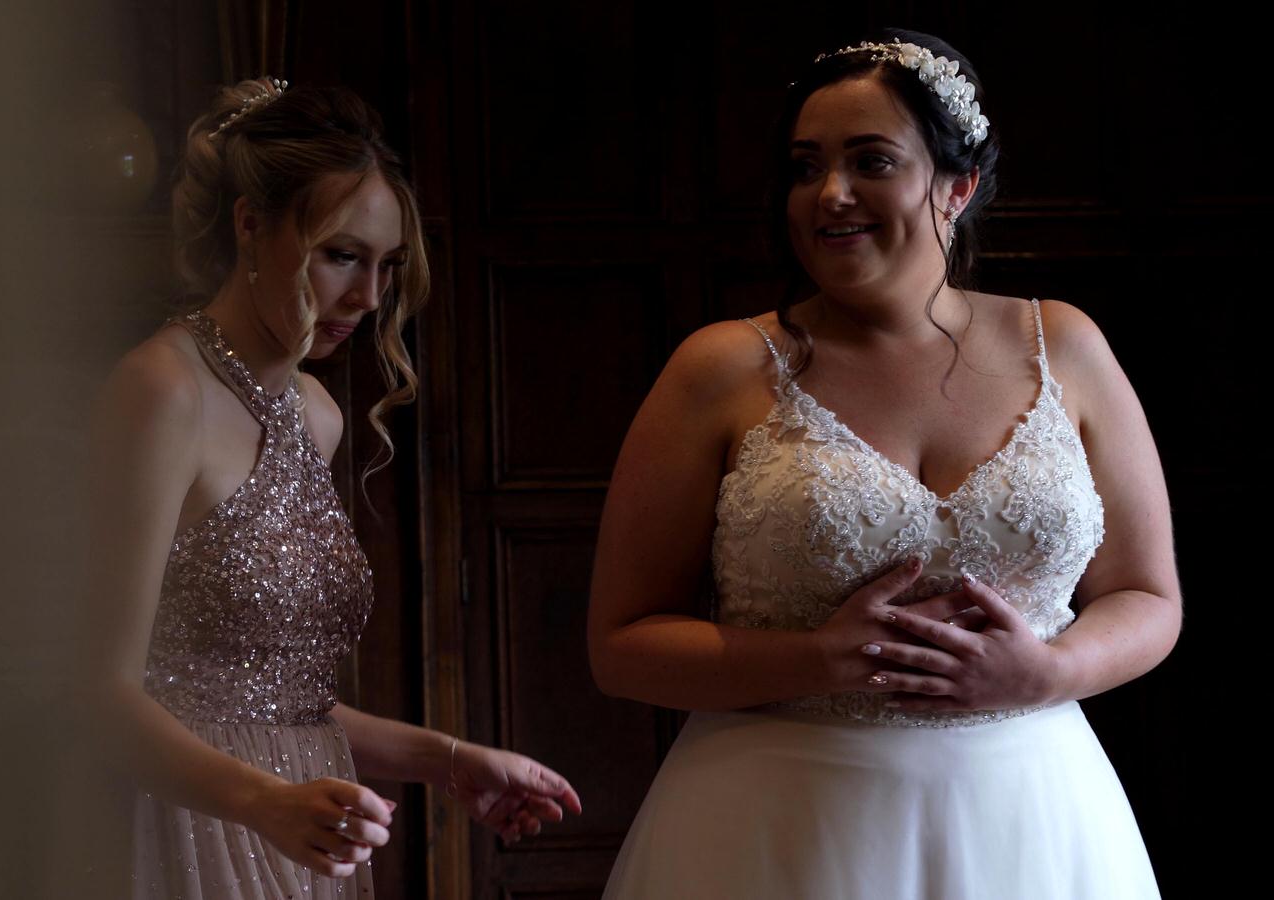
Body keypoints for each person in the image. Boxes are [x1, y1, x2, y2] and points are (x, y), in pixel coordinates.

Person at [587, 30, 1179, 899]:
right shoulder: (720, 370)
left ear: (958, 185)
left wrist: (1052, 672)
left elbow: (1148, 597)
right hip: (777, 822)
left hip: (1033, 817)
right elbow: (621, 646)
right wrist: (819, 659)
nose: (829, 195)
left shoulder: (1067, 347)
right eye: (804, 166)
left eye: (871, 162)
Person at [83, 79, 582, 899]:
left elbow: (276, 701)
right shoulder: (161, 390)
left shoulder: (314, 413)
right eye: (342, 255)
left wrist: (453, 761)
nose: (370, 297)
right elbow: (99, 693)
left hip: (303, 826)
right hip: (184, 826)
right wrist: (262, 802)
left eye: (387, 265)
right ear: (250, 224)